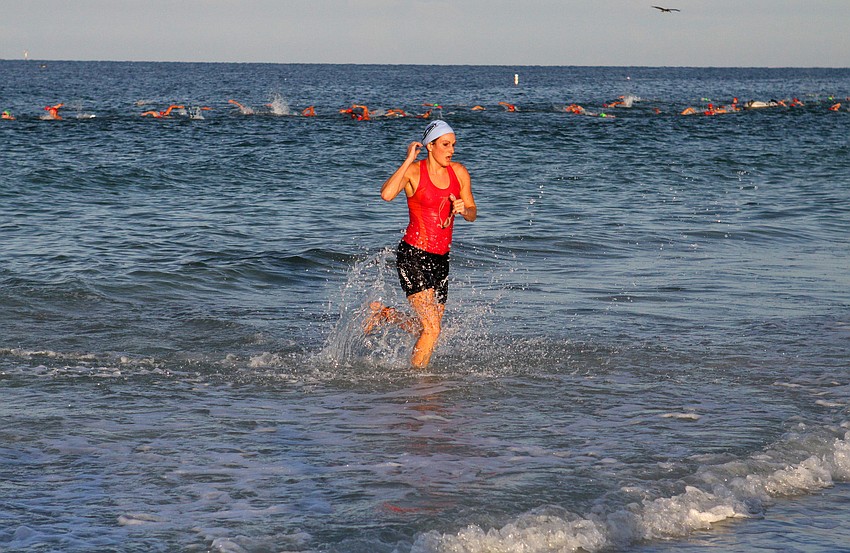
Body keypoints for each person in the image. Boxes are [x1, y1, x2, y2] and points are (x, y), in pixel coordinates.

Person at [366, 120, 477, 368]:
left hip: (441, 259)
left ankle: (384, 314)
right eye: (446, 145)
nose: (451, 150)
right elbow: (386, 194)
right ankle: (420, 387)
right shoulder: (415, 172)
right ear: (430, 146)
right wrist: (407, 161)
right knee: (432, 329)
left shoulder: (458, 172)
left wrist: (464, 209)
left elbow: (472, 211)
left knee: (429, 328)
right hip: (414, 255)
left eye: (454, 145)